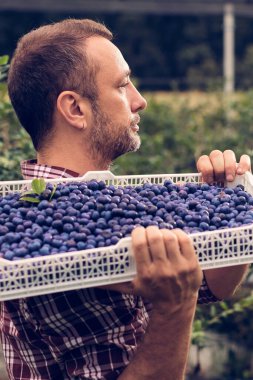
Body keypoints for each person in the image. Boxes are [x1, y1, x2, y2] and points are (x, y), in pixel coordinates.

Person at [1, 18, 250, 380]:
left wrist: (230, 206)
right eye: (122, 85)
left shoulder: (101, 202)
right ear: (74, 109)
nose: (140, 100)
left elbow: (212, 287)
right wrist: (174, 307)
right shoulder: (65, 256)